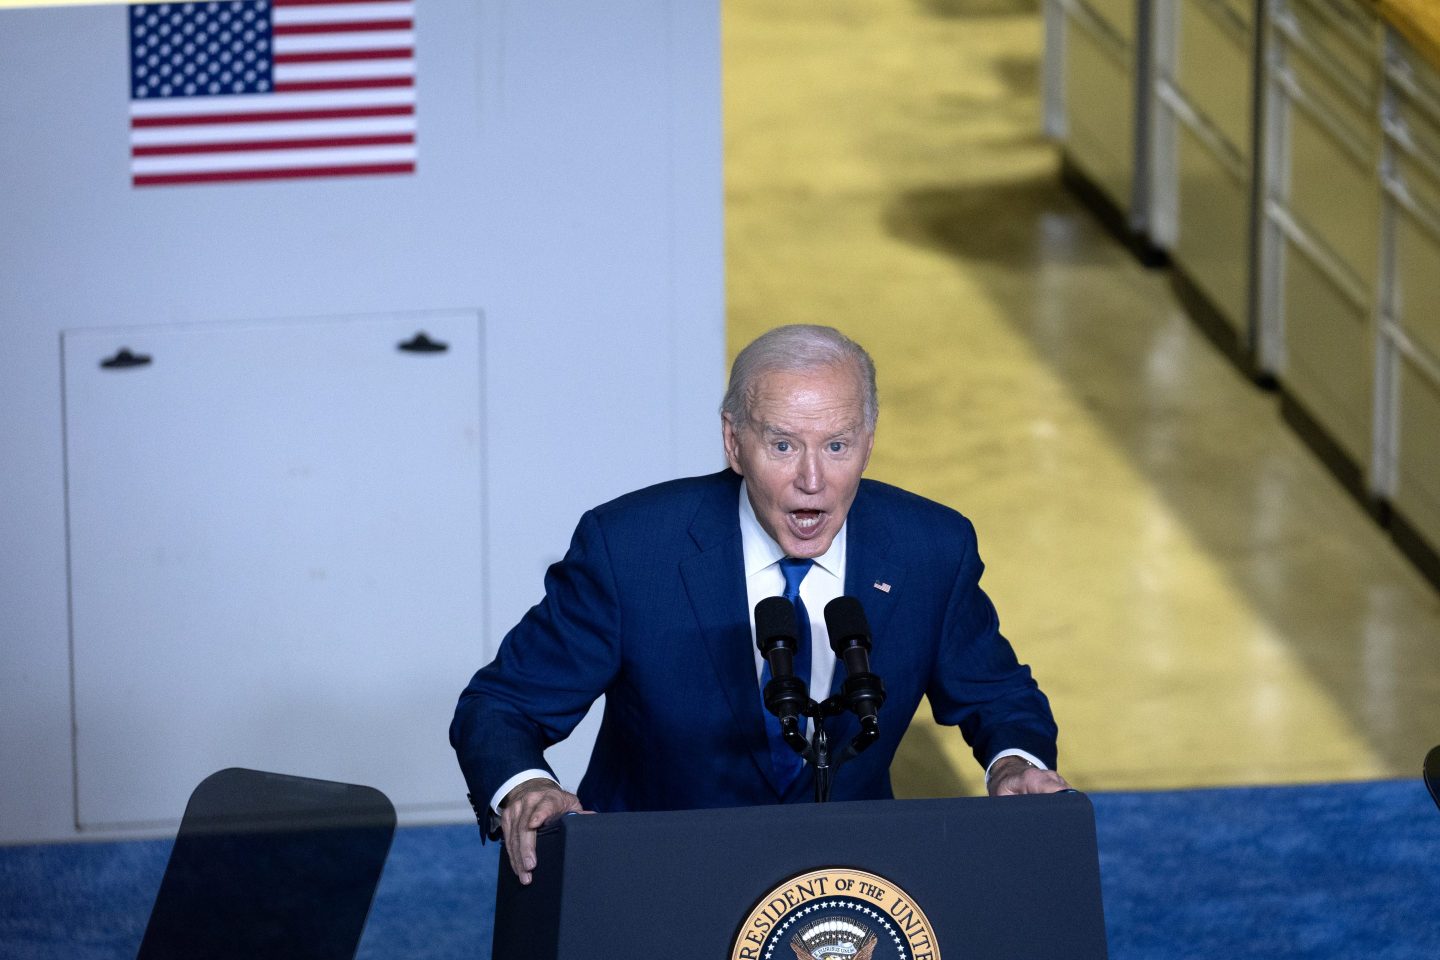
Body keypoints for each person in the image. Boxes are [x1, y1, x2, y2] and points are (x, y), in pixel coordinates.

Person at [450, 324, 1068, 884]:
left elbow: (999, 696)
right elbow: (500, 706)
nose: (812, 480)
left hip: (846, 886)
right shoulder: (632, 550)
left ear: (869, 443)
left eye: (836, 445)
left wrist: (1013, 764)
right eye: (782, 446)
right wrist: (528, 786)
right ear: (733, 442)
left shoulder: (931, 547)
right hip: (654, 878)